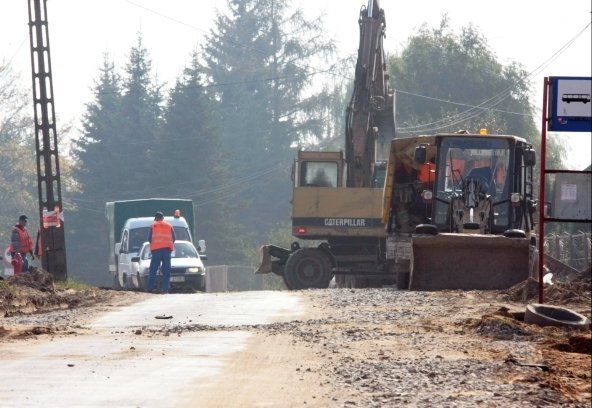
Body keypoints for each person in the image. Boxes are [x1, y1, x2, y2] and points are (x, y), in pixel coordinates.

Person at [147, 212, 176, 293]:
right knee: (166, 271)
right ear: (163, 218)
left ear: (156, 218)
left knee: (153, 270)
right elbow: (174, 238)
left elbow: (149, 238)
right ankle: (165, 289)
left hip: (156, 250)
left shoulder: (153, 225)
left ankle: (150, 289)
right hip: (167, 250)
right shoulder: (169, 226)